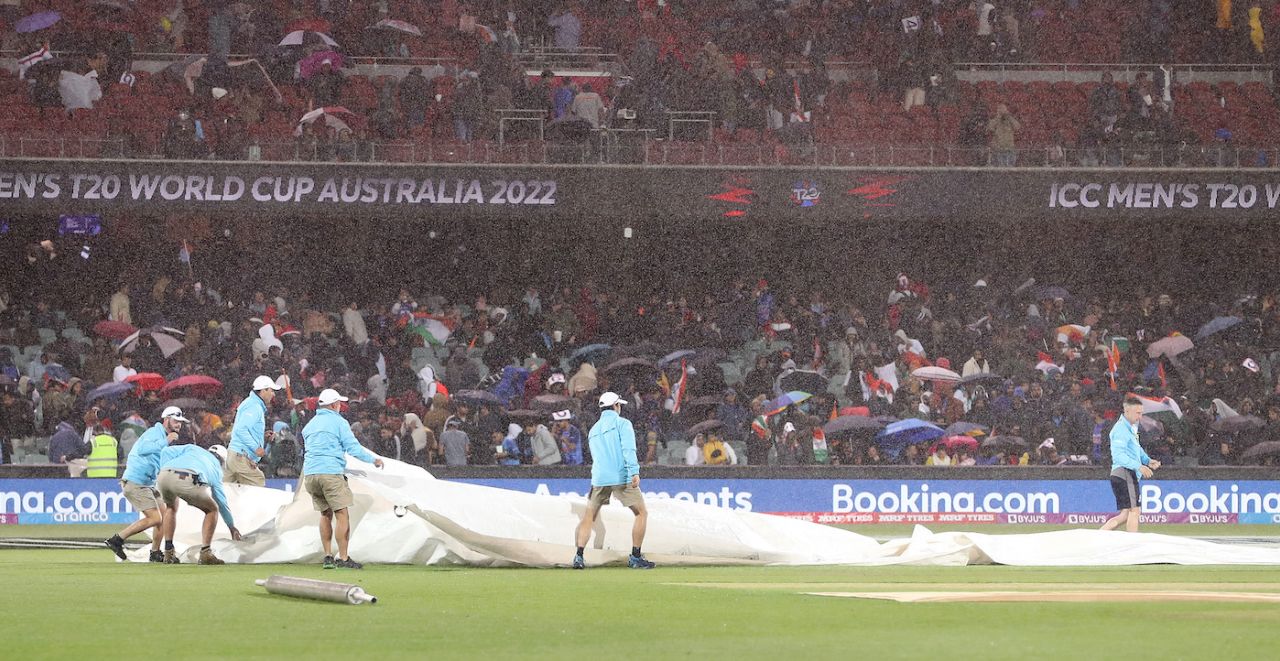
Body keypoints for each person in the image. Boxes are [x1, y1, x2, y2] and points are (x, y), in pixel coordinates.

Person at [301, 388, 384, 570]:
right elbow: (353, 448)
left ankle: (328, 556)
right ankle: (343, 558)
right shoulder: (339, 423)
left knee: (325, 514)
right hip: (330, 473)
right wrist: (373, 460)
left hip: (310, 475)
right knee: (342, 514)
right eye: (338, 403)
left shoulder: (310, 425)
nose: (340, 406)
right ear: (333, 405)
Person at [572, 392, 654, 570]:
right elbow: (628, 449)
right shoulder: (623, 424)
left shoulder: (593, 430)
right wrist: (635, 471)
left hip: (599, 477)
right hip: (620, 475)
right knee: (641, 513)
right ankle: (636, 556)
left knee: (589, 517)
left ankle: (578, 556)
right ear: (616, 406)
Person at [104, 406, 188, 563]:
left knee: (163, 517)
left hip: (148, 483)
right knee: (156, 518)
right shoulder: (155, 433)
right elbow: (143, 449)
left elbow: (155, 460)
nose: (178, 425)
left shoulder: (162, 436)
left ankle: (155, 553)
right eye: (176, 421)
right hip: (136, 482)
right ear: (166, 419)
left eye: (180, 422)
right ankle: (117, 540)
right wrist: (166, 441)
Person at [156, 443, 242, 565]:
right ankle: (205, 553)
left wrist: (165, 469)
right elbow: (221, 501)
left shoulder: (193, 448)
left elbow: (165, 451)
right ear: (222, 460)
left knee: (171, 507)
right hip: (187, 477)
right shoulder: (217, 469)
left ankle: (168, 553)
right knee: (212, 509)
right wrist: (231, 527)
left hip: (163, 475)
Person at [1100, 396, 1161, 533]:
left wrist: (1147, 460)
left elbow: (1135, 448)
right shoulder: (1120, 429)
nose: (1140, 416)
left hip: (1121, 473)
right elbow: (1119, 456)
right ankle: (1132, 545)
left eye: (1141, 413)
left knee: (1125, 515)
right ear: (1127, 411)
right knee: (1135, 511)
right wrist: (1139, 466)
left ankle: (1099, 536)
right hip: (1125, 473)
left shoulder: (1129, 428)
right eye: (1137, 413)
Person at [225, 375, 281, 486]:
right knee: (258, 481)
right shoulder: (254, 406)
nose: (273, 394)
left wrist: (261, 436)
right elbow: (241, 430)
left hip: (236, 455)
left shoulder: (252, 403)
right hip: (241, 456)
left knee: (225, 490)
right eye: (272, 390)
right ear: (264, 390)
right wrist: (256, 447)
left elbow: (242, 428)